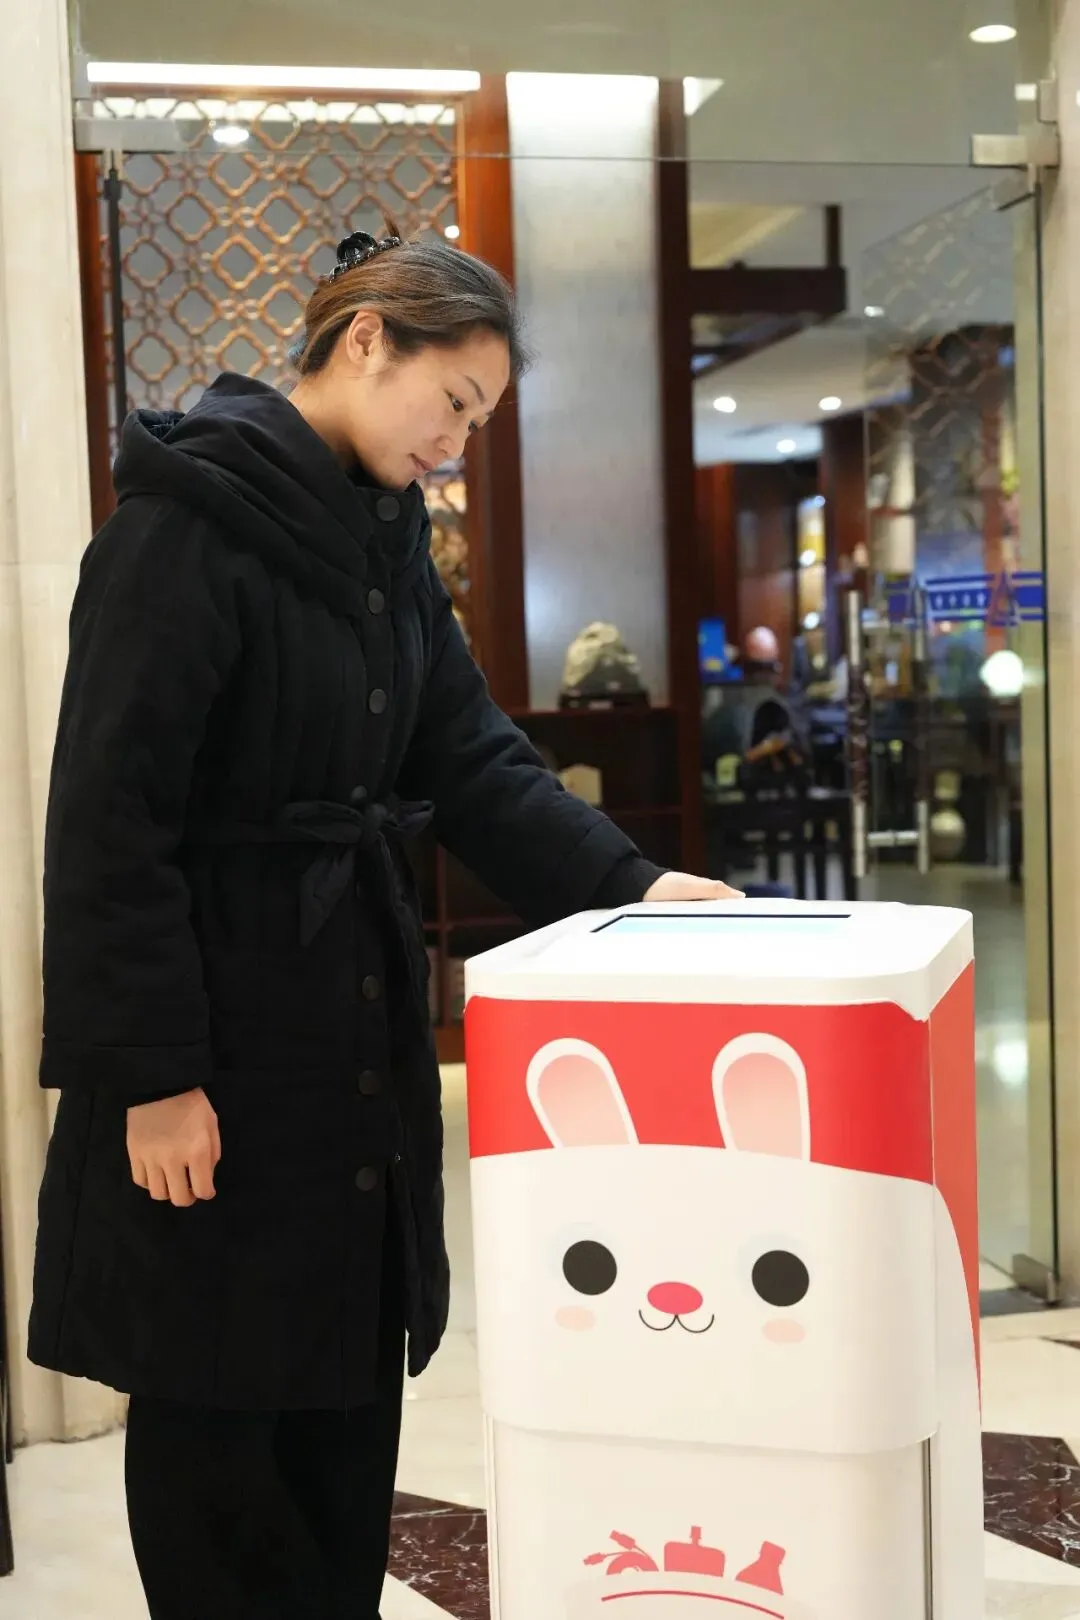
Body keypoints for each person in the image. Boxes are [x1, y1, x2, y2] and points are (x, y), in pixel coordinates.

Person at [28, 227, 740, 1620]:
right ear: (367, 343)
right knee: (218, 1392)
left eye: (479, 421)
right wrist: (152, 1079)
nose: (457, 447)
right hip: (214, 1044)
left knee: (342, 1381)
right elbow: (110, 822)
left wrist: (634, 887)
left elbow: (468, 756)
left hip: (347, 1027)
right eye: (454, 404)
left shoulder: (385, 545)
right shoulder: (181, 530)